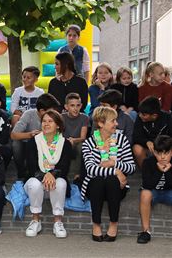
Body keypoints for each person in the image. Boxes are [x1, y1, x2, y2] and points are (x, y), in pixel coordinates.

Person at [81, 107, 136, 242]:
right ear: (100, 123)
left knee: (111, 180)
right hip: (94, 187)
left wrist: (113, 164)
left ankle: (113, 224)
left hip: (116, 187)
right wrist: (117, 171)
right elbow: (91, 170)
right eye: (113, 121)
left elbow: (131, 168)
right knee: (99, 180)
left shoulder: (121, 140)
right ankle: (96, 224)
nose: (116, 124)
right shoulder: (88, 143)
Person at [24, 110, 71, 238]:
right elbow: (31, 166)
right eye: (44, 121)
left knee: (60, 183)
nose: (46, 124)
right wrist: (46, 175)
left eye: (50, 121)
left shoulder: (65, 144)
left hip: (55, 181)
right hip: (36, 178)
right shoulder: (33, 142)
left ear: (58, 125)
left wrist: (52, 174)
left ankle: (58, 222)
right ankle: (35, 221)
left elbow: (64, 167)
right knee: (34, 183)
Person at [11, 93, 61, 179]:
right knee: (16, 144)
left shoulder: (55, 116)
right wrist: (30, 134)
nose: (54, 113)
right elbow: (13, 135)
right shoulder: (29, 114)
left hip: (48, 146)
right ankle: (21, 170)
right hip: (28, 144)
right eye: (51, 111)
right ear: (42, 111)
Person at [137, 135, 172, 244]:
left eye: (166, 153)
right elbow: (147, 184)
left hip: (169, 192)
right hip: (154, 192)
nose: (162, 157)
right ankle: (145, 231)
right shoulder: (148, 163)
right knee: (145, 193)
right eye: (159, 153)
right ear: (154, 152)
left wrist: (168, 172)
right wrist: (159, 171)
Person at [132, 96, 172, 167]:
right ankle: (146, 172)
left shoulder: (168, 118)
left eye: (144, 115)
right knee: (137, 148)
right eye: (140, 113)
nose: (140, 115)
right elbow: (136, 136)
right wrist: (146, 142)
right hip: (148, 148)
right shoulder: (139, 118)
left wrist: (162, 146)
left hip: (164, 148)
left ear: (154, 115)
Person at [62, 93, 88, 180]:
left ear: (81, 106)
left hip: (78, 142)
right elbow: (59, 135)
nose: (75, 108)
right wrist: (68, 141)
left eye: (78, 105)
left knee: (82, 146)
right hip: (64, 141)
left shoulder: (84, 118)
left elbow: (83, 137)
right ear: (66, 107)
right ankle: (62, 172)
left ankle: (77, 173)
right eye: (72, 105)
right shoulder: (62, 117)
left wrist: (73, 140)